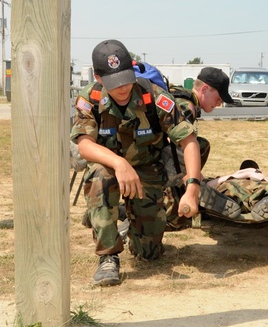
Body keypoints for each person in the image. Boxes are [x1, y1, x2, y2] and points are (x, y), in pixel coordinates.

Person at [72, 39, 203, 286]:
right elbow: (84, 145)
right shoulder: (90, 98)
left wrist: (193, 187)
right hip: (109, 166)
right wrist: (119, 164)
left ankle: (124, 222)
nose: (122, 87)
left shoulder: (153, 96)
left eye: (126, 77)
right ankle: (108, 256)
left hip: (147, 171)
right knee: (99, 177)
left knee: (148, 254)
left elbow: (189, 140)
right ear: (99, 78)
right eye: (113, 81)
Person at [162, 66, 232, 230]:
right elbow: (169, 145)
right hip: (152, 164)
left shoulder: (180, 98)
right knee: (175, 220)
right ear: (205, 89)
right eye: (218, 97)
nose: (219, 103)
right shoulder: (187, 107)